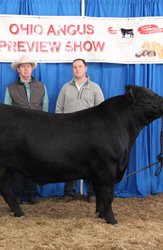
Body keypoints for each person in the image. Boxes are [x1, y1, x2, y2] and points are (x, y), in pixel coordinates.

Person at [55, 58, 104, 203]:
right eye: (75, 67)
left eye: (80, 66)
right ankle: (69, 194)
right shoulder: (66, 88)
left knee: (91, 164)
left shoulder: (95, 88)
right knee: (69, 162)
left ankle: (92, 194)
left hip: (89, 133)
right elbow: (59, 109)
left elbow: (101, 111)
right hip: (69, 132)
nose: (77, 69)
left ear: (86, 68)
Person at [4, 54, 49, 204]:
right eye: (23, 66)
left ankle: (32, 194)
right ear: (18, 69)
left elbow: (45, 108)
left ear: (31, 69)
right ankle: (18, 195)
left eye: (28, 66)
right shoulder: (10, 88)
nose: (26, 69)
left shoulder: (41, 86)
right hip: (18, 132)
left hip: (37, 131)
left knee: (35, 162)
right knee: (18, 163)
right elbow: (7, 112)